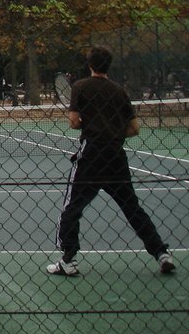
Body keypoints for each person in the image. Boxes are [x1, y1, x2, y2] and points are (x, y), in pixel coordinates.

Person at [48, 45, 175, 277]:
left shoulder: (80, 86)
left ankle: (68, 259)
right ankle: (161, 253)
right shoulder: (119, 91)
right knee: (132, 208)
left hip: (91, 156)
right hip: (116, 155)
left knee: (72, 207)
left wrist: (93, 127)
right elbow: (134, 128)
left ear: (90, 65)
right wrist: (112, 133)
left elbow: (74, 122)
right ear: (109, 65)